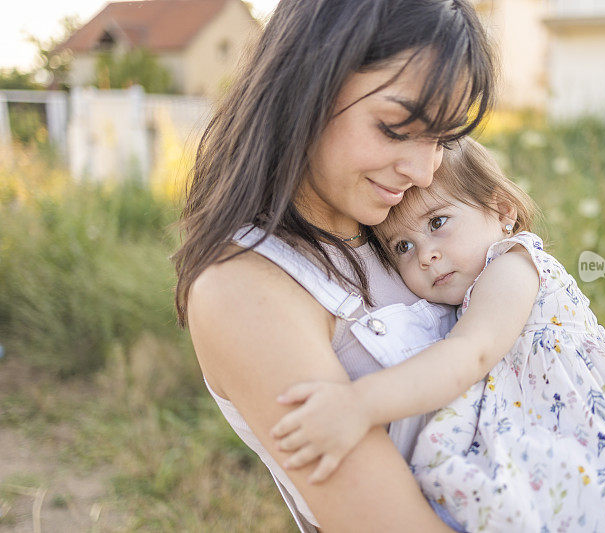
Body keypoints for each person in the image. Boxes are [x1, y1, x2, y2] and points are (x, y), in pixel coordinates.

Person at [172, 0, 496, 531]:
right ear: (305, 89)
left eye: (442, 138)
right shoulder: (246, 289)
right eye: (396, 128)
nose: (423, 171)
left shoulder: (400, 221)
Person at [270, 137, 605, 532]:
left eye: (438, 222)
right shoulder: (468, 288)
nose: (426, 254)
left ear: (502, 211)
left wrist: (360, 404)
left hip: (567, 441)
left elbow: (472, 352)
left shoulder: (513, 265)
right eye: (402, 247)